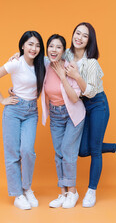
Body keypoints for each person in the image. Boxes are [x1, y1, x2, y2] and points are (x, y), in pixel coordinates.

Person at [64, 22, 116, 207]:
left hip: (97, 104)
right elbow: (49, 59)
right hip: (81, 106)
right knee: (82, 150)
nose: (79, 37)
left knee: (94, 150)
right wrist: (19, 58)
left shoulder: (91, 63)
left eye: (85, 36)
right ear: (72, 35)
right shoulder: (67, 55)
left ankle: (91, 191)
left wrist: (77, 76)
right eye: (77, 33)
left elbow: (91, 92)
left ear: (89, 41)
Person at [0, 31, 46, 210]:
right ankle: (17, 194)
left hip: (31, 111)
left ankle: (26, 188)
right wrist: (2, 99)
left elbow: (59, 53)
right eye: (30, 44)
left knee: (27, 150)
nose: (33, 48)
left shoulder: (42, 63)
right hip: (13, 110)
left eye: (37, 45)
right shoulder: (16, 63)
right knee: (12, 154)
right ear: (22, 46)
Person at [41, 34, 85, 208]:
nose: (54, 50)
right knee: (58, 154)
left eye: (58, 47)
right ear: (47, 49)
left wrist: (62, 76)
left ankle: (73, 192)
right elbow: (27, 58)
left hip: (73, 115)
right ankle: (63, 193)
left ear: (64, 50)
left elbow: (74, 98)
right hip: (55, 114)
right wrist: (15, 57)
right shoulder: (44, 64)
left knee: (67, 151)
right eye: (51, 46)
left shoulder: (70, 68)